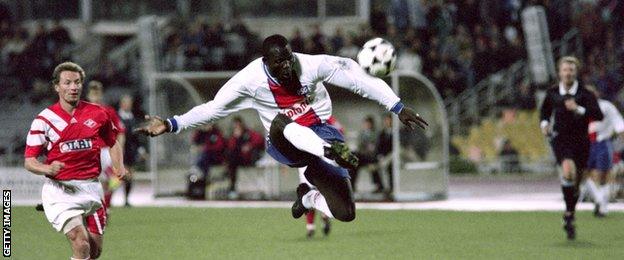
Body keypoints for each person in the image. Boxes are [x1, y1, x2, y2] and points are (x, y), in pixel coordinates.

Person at [135, 34, 428, 223]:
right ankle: (326, 152)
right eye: (279, 62)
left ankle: (309, 196)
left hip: (321, 131)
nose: (287, 66)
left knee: (346, 213)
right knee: (282, 122)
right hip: (282, 141)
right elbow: (213, 109)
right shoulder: (248, 81)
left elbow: (356, 77)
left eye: (289, 58)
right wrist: (172, 123)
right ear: (266, 62)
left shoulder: (312, 65)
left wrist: (397, 106)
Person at [24, 62, 126, 259]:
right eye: (68, 82)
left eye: (77, 82)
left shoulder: (98, 113)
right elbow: (29, 161)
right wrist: (47, 168)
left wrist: (119, 165)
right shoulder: (44, 120)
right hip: (61, 190)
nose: (73, 87)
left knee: (94, 252)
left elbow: (112, 142)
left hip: (91, 189)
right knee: (80, 242)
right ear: (56, 86)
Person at [539, 56, 603, 240]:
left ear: (576, 73)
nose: (568, 73)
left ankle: (569, 214)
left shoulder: (585, 94)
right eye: (565, 70)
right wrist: (544, 124)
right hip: (561, 139)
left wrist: (579, 109)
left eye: (571, 70)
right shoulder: (552, 93)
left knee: (576, 183)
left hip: (581, 141)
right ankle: (569, 213)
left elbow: (598, 115)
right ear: (560, 72)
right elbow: (544, 112)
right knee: (568, 172)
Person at [583, 85, 624, 217]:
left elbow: (619, 124)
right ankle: (599, 200)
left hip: (602, 142)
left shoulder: (606, 106)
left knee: (603, 175)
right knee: (582, 173)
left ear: (597, 93)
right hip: (585, 143)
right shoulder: (580, 108)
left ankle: (602, 206)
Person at [86, 81, 126, 210]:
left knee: (115, 178)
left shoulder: (108, 111)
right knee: (98, 183)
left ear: (101, 95)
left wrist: (120, 151)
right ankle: (102, 208)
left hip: (105, 151)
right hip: (88, 152)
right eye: (93, 94)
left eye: (97, 94)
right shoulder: (81, 111)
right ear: (88, 95)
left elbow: (120, 131)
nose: (95, 97)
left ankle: (105, 206)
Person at [224, 116, 264, 199]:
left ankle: (229, 180)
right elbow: (231, 147)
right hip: (237, 160)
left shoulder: (248, 133)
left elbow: (260, 139)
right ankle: (232, 188)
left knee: (232, 161)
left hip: (249, 158)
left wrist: (250, 146)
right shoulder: (233, 136)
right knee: (232, 159)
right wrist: (236, 137)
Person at [349, 116, 384, 193]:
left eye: (368, 123)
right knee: (354, 164)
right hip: (363, 156)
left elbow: (376, 146)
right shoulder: (361, 134)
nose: (366, 125)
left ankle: (379, 186)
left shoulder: (376, 134)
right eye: (365, 123)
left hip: (372, 157)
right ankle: (352, 185)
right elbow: (359, 146)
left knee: (373, 166)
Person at [117, 94, 141, 207]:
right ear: (122, 104)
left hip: (131, 151)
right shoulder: (116, 117)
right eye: (126, 103)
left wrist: (140, 149)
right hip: (120, 150)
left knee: (130, 175)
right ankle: (108, 197)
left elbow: (136, 136)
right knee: (119, 176)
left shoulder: (132, 117)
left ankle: (126, 199)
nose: (128, 105)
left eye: (129, 103)